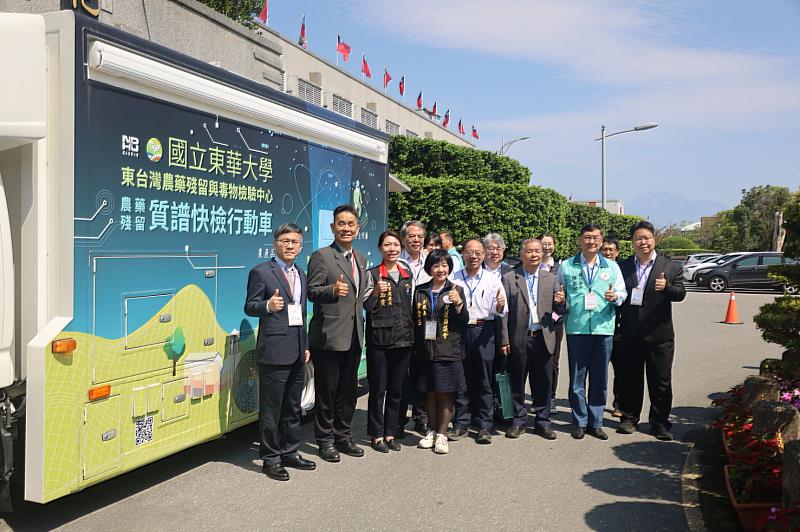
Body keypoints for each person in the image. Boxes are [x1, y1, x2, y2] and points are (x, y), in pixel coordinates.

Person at [244, 223, 315, 481]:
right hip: (274, 351)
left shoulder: (301, 274)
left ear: (300, 246)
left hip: (297, 351)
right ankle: (271, 459)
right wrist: (267, 305)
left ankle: (290, 452)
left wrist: (305, 346)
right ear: (275, 244)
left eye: (294, 242)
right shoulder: (261, 272)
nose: (289, 246)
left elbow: (301, 314)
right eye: (285, 241)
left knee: (293, 407)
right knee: (272, 409)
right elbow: (249, 306)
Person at [307, 204, 370, 462]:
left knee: (348, 391)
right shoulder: (322, 256)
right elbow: (311, 291)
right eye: (341, 224)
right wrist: (331, 290)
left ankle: (344, 436)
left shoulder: (361, 258)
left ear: (357, 228)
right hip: (329, 335)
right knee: (327, 392)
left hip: (354, 335)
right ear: (333, 227)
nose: (346, 228)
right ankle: (325, 440)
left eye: (350, 224)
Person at [617, 221, 686, 441]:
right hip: (630, 334)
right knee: (630, 379)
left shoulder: (670, 266)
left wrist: (666, 288)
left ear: (654, 239)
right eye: (638, 238)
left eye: (647, 237)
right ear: (632, 242)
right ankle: (629, 418)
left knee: (661, 381)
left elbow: (680, 294)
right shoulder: (622, 266)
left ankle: (660, 423)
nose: (643, 242)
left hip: (660, 335)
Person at [557, 224, 627, 440]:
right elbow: (559, 293)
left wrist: (616, 297)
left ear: (601, 240)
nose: (591, 242)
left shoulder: (612, 267)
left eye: (595, 238)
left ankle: (595, 422)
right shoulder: (567, 266)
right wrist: (560, 300)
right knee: (577, 379)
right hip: (576, 329)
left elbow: (622, 292)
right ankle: (579, 421)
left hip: (603, 329)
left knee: (599, 378)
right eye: (587, 237)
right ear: (580, 240)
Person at [500, 238, 565, 440]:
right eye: (530, 251)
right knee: (517, 380)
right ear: (522, 254)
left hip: (543, 337)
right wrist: (504, 339)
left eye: (538, 251)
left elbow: (560, 313)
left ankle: (543, 422)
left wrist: (560, 304)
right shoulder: (509, 278)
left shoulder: (551, 279)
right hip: (519, 337)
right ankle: (519, 420)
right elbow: (504, 313)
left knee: (543, 382)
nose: (535, 255)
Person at [448, 239, 508, 444]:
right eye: (469, 252)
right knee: (461, 378)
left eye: (477, 253)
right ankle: (461, 423)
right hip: (461, 330)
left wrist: (500, 306)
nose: (473, 256)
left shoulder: (493, 279)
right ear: (462, 254)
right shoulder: (454, 278)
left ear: (483, 255)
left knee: (484, 379)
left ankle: (484, 425)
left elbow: (502, 310)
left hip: (484, 330)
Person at [413, 249, 470, 454]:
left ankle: (442, 434)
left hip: (447, 349)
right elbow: (414, 319)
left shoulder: (456, 289)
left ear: (449, 268)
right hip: (425, 350)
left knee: (445, 393)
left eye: (444, 265)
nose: (440, 269)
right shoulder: (420, 290)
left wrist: (458, 303)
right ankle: (431, 430)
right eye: (436, 265)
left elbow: (464, 321)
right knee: (429, 392)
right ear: (429, 268)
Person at [364, 230, 414, 453]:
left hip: (403, 341)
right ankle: (376, 435)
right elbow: (366, 306)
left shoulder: (407, 274)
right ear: (380, 248)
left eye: (395, 245)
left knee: (396, 390)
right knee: (378, 390)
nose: (392, 249)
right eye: (387, 245)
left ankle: (391, 433)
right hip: (380, 341)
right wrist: (375, 292)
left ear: (400, 248)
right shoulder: (373, 274)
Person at [397, 220, 430, 436]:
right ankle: (398, 420)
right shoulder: (396, 262)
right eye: (411, 236)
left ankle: (421, 417)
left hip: (426, 325)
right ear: (404, 239)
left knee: (423, 373)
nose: (416, 240)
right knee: (401, 375)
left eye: (420, 236)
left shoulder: (431, 262)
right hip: (401, 324)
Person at [539, 232, 565, 410]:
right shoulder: (532, 267)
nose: (547, 247)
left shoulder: (560, 269)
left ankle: (551, 397)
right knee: (533, 361)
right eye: (544, 243)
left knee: (552, 361)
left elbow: (565, 295)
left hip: (555, 322)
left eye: (550, 243)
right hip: (534, 322)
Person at [601, 236, 623, 418]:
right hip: (599, 326)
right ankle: (595, 403)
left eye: (611, 250)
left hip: (620, 327)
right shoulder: (595, 269)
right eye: (604, 250)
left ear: (617, 252)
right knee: (598, 369)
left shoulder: (621, 270)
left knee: (620, 368)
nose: (607, 253)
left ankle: (619, 403)